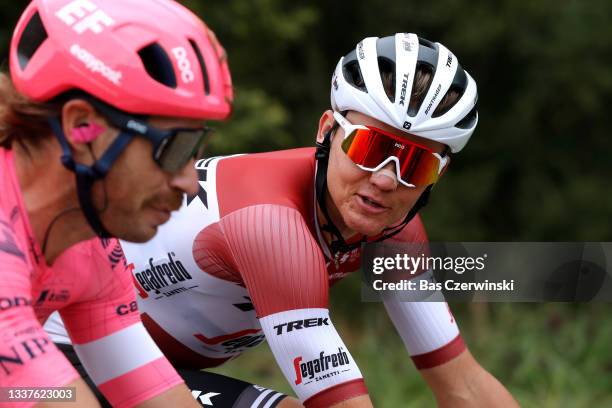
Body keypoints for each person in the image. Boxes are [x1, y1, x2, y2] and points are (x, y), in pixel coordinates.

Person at [46, 33, 519, 407]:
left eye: (415, 165)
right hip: (52, 364)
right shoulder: (271, 223)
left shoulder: (398, 230)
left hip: (146, 371)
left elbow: (461, 383)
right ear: (327, 131)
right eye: (371, 148)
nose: (385, 180)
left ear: (439, 176)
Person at [1, 0, 232, 406]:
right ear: (82, 126)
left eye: (195, 148)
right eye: (173, 148)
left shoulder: (92, 251)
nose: (189, 182)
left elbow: (154, 395)